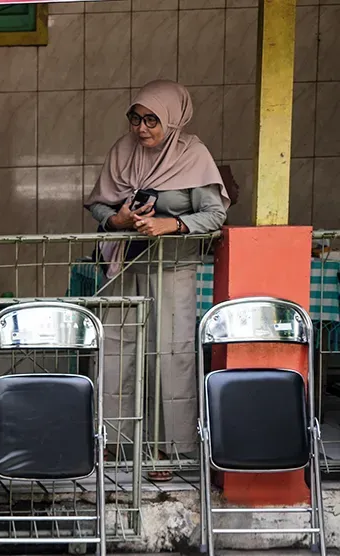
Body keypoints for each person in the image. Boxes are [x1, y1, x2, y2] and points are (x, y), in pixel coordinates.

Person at [86, 80, 229, 481]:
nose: (142, 129)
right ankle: (115, 439)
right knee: (118, 350)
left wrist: (172, 224)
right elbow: (99, 203)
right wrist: (116, 220)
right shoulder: (123, 151)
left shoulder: (193, 156)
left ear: (172, 118)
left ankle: (170, 447)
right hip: (125, 267)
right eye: (135, 119)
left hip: (172, 269)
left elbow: (214, 215)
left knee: (171, 354)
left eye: (152, 120)